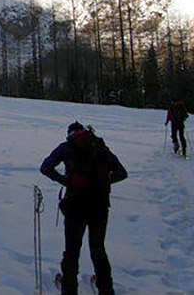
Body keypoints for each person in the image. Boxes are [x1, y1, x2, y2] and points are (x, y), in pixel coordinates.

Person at [40, 121, 128, 295]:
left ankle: (69, 289)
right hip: (100, 206)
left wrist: (66, 181)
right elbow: (122, 173)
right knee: (98, 248)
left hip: (75, 206)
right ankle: (106, 289)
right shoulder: (101, 147)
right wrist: (101, 183)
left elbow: (45, 168)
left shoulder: (66, 147)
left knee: (72, 250)